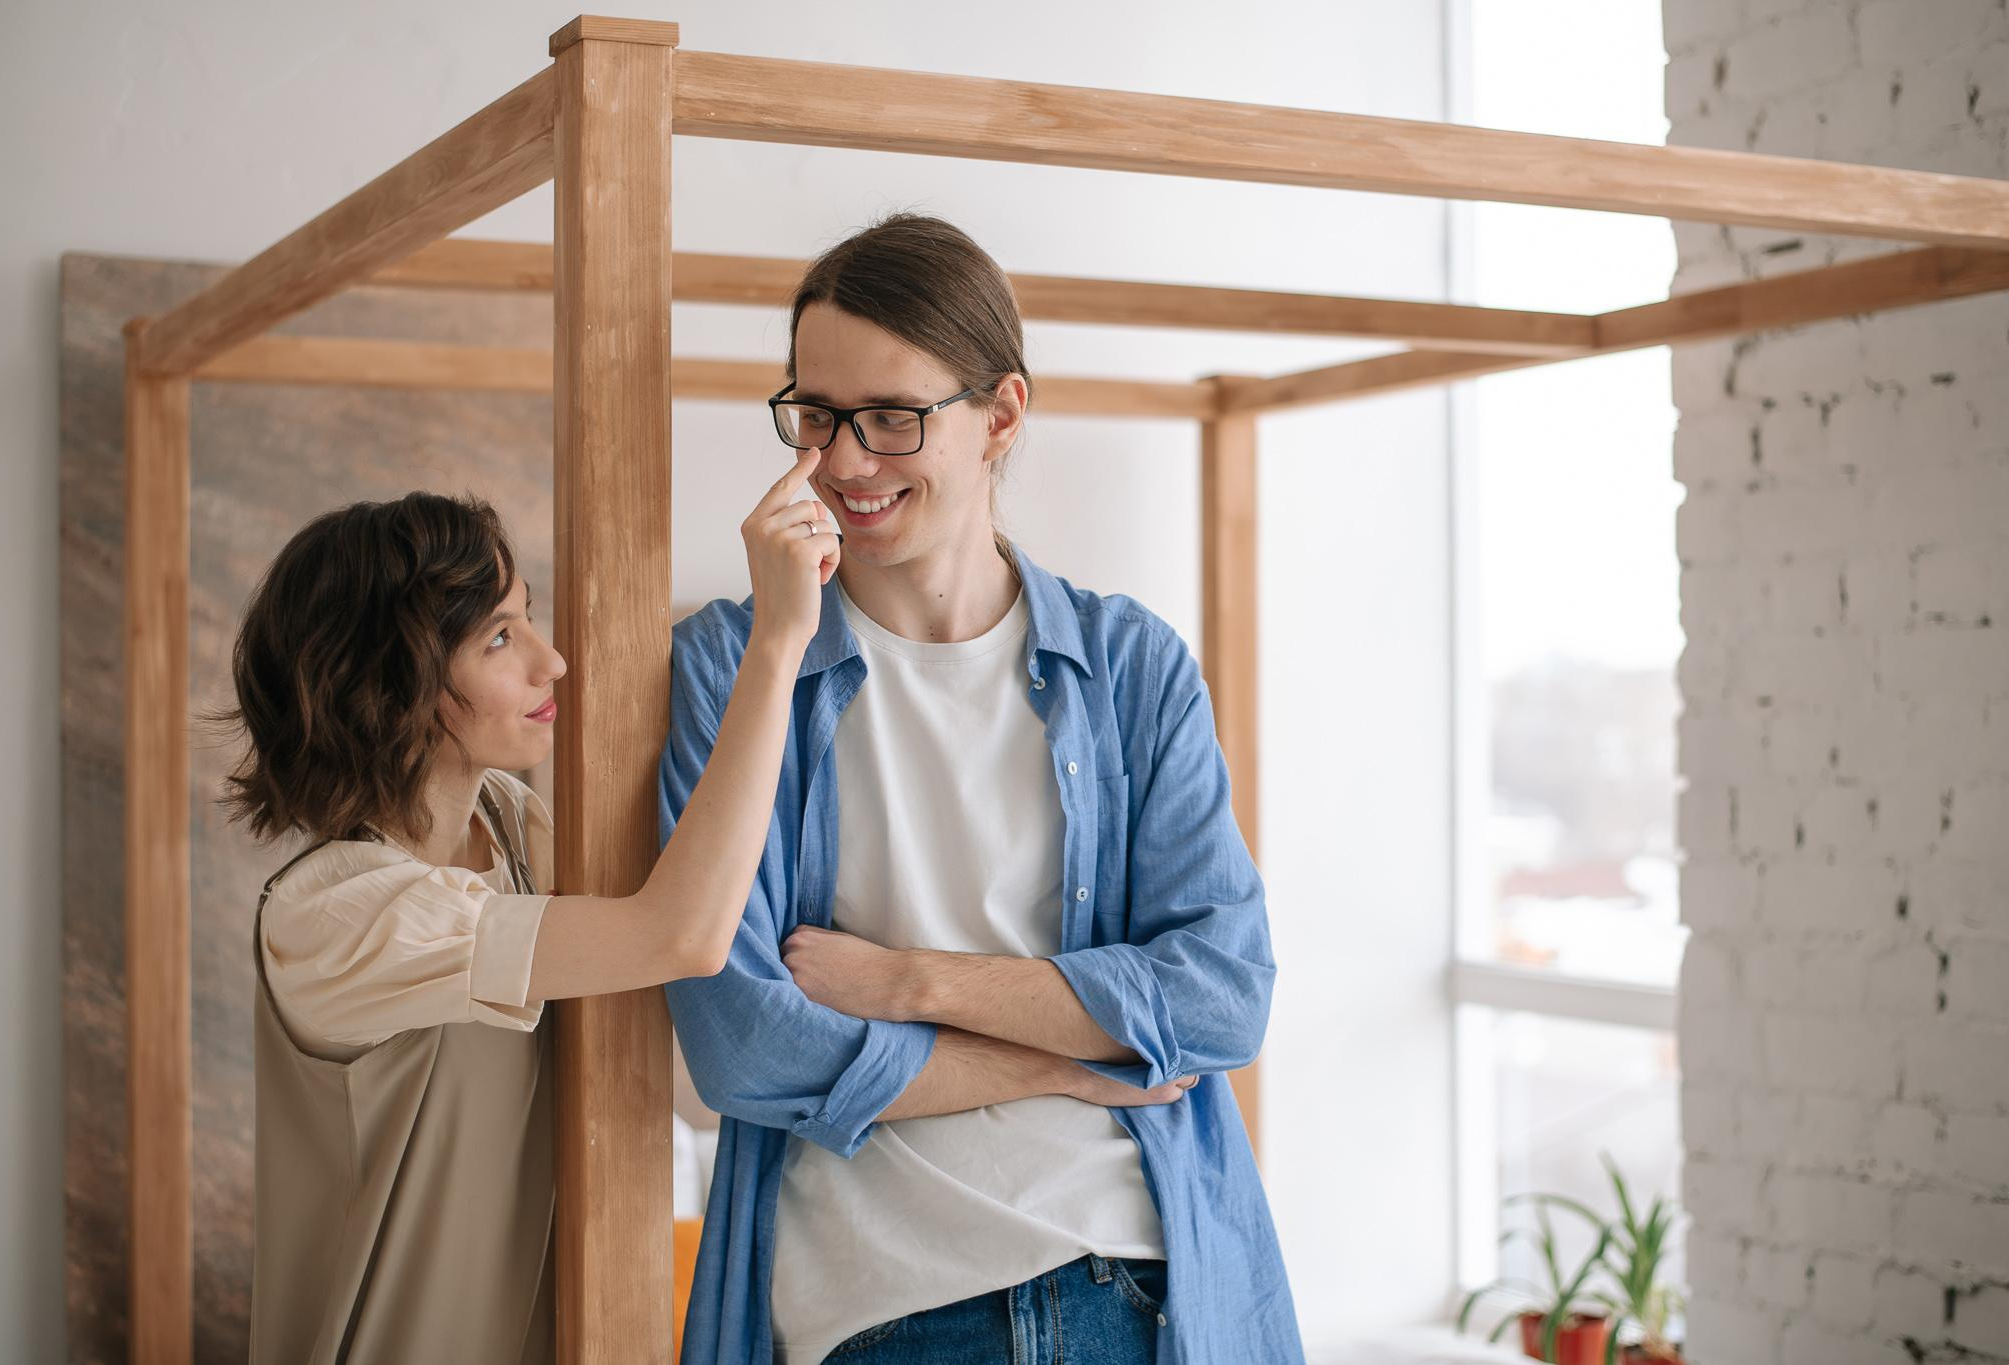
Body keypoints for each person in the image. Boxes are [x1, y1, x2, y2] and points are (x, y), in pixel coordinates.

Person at [662, 214, 1302, 1365]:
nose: (843, 463)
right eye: (815, 416)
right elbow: (742, 1047)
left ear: (1000, 414)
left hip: (1129, 1283)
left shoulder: (1130, 666)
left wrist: (905, 981)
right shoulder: (730, 664)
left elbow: (1219, 1000)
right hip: (874, 1307)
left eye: (893, 419)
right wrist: (1062, 1056)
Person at [222, 456, 838, 1365]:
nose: (552, 659)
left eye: (527, 618)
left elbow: (685, 941)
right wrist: (777, 642)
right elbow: (679, 931)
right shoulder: (333, 914)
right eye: (501, 639)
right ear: (398, 686)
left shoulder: (512, 826)